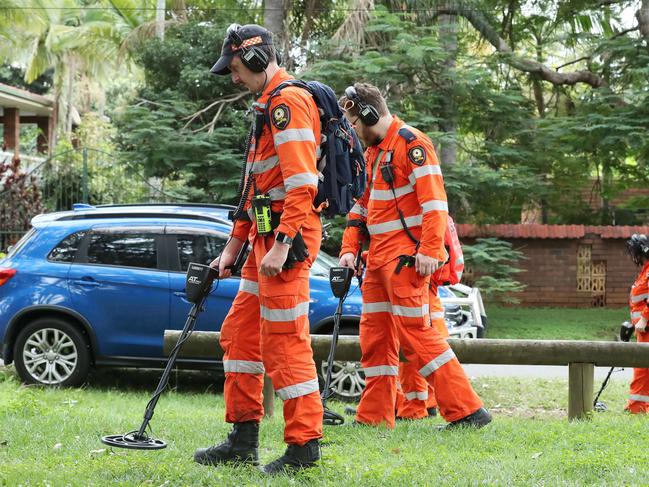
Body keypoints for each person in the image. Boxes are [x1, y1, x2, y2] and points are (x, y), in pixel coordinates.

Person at [193, 23, 323, 474]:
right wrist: (233, 249)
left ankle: (304, 447)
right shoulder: (265, 105)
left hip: (288, 241)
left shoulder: (289, 103)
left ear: (254, 59)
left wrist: (283, 244)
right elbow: (255, 189)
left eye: (234, 68)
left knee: (285, 344)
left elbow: (303, 183)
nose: (233, 77)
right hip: (265, 240)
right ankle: (242, 440)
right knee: (240, 335)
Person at [338, 83, 491, 429]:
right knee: (374, 339)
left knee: (416, 334)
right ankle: (374, 416)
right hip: (376, 261)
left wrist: (430, 251)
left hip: (406, 260)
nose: (352, 130)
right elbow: (361, 207)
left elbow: (435, 204)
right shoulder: (374, 153)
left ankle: (467, 411)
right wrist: (349, 250)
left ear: (368, 114)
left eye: (353, 122)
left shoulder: (413, 144)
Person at [625, 234, 649, 414]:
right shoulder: (645, 271)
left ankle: (636, 408)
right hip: (642, 330)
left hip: (647, 328)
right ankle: (638, 407)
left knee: (642, 369)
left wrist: (644, 318)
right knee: (642, 369)